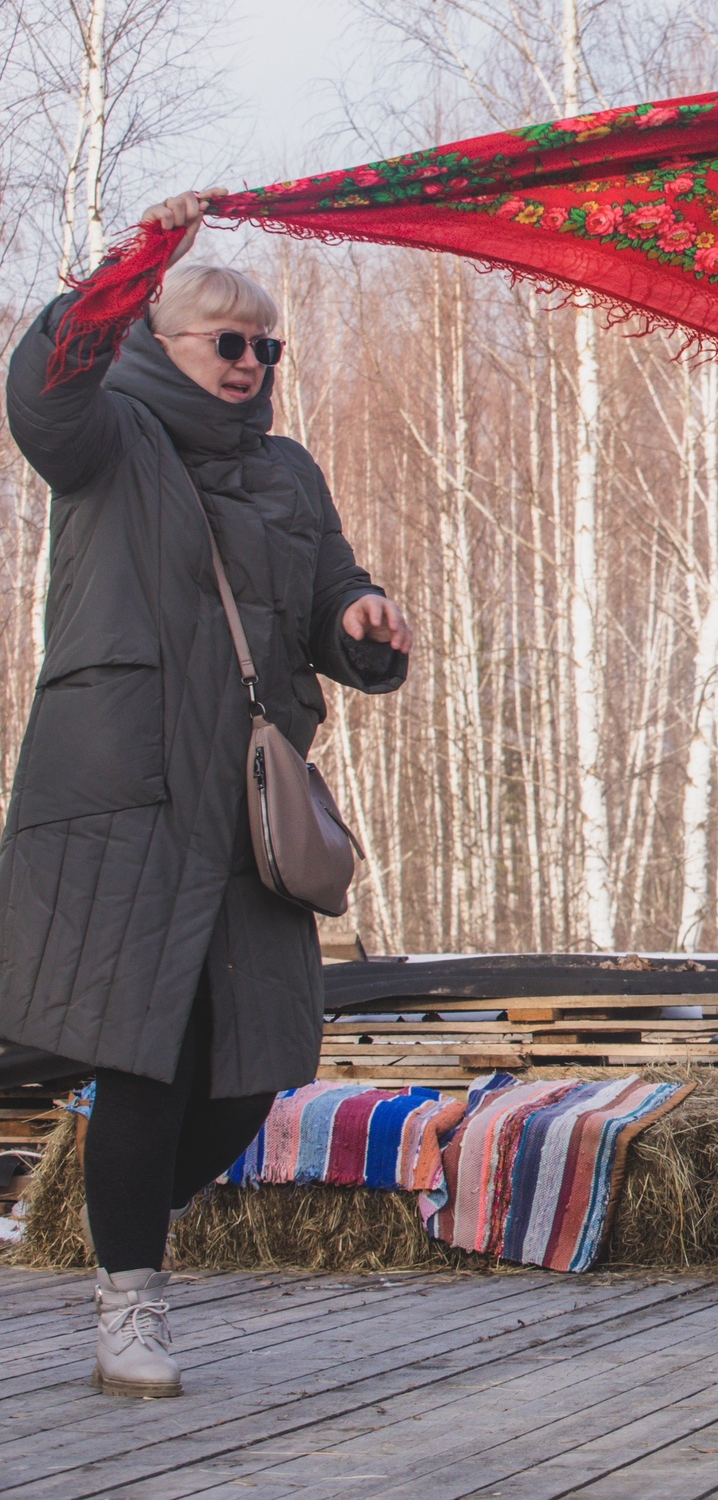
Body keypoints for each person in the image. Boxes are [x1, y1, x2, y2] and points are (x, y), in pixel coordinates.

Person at [0, 190, 411, 1398]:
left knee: (254, 1064)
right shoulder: (106, 432)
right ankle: (131, 1299)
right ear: (162, 340)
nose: (249, 364)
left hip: (249, 803)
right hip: (128, 787)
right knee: (146, 1052)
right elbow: (45, 378)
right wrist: (143, 260)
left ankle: (117, 1205)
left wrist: (364, 619)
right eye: (226, 342)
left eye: (265, 347)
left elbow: (337, 595)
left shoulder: (288, 469)